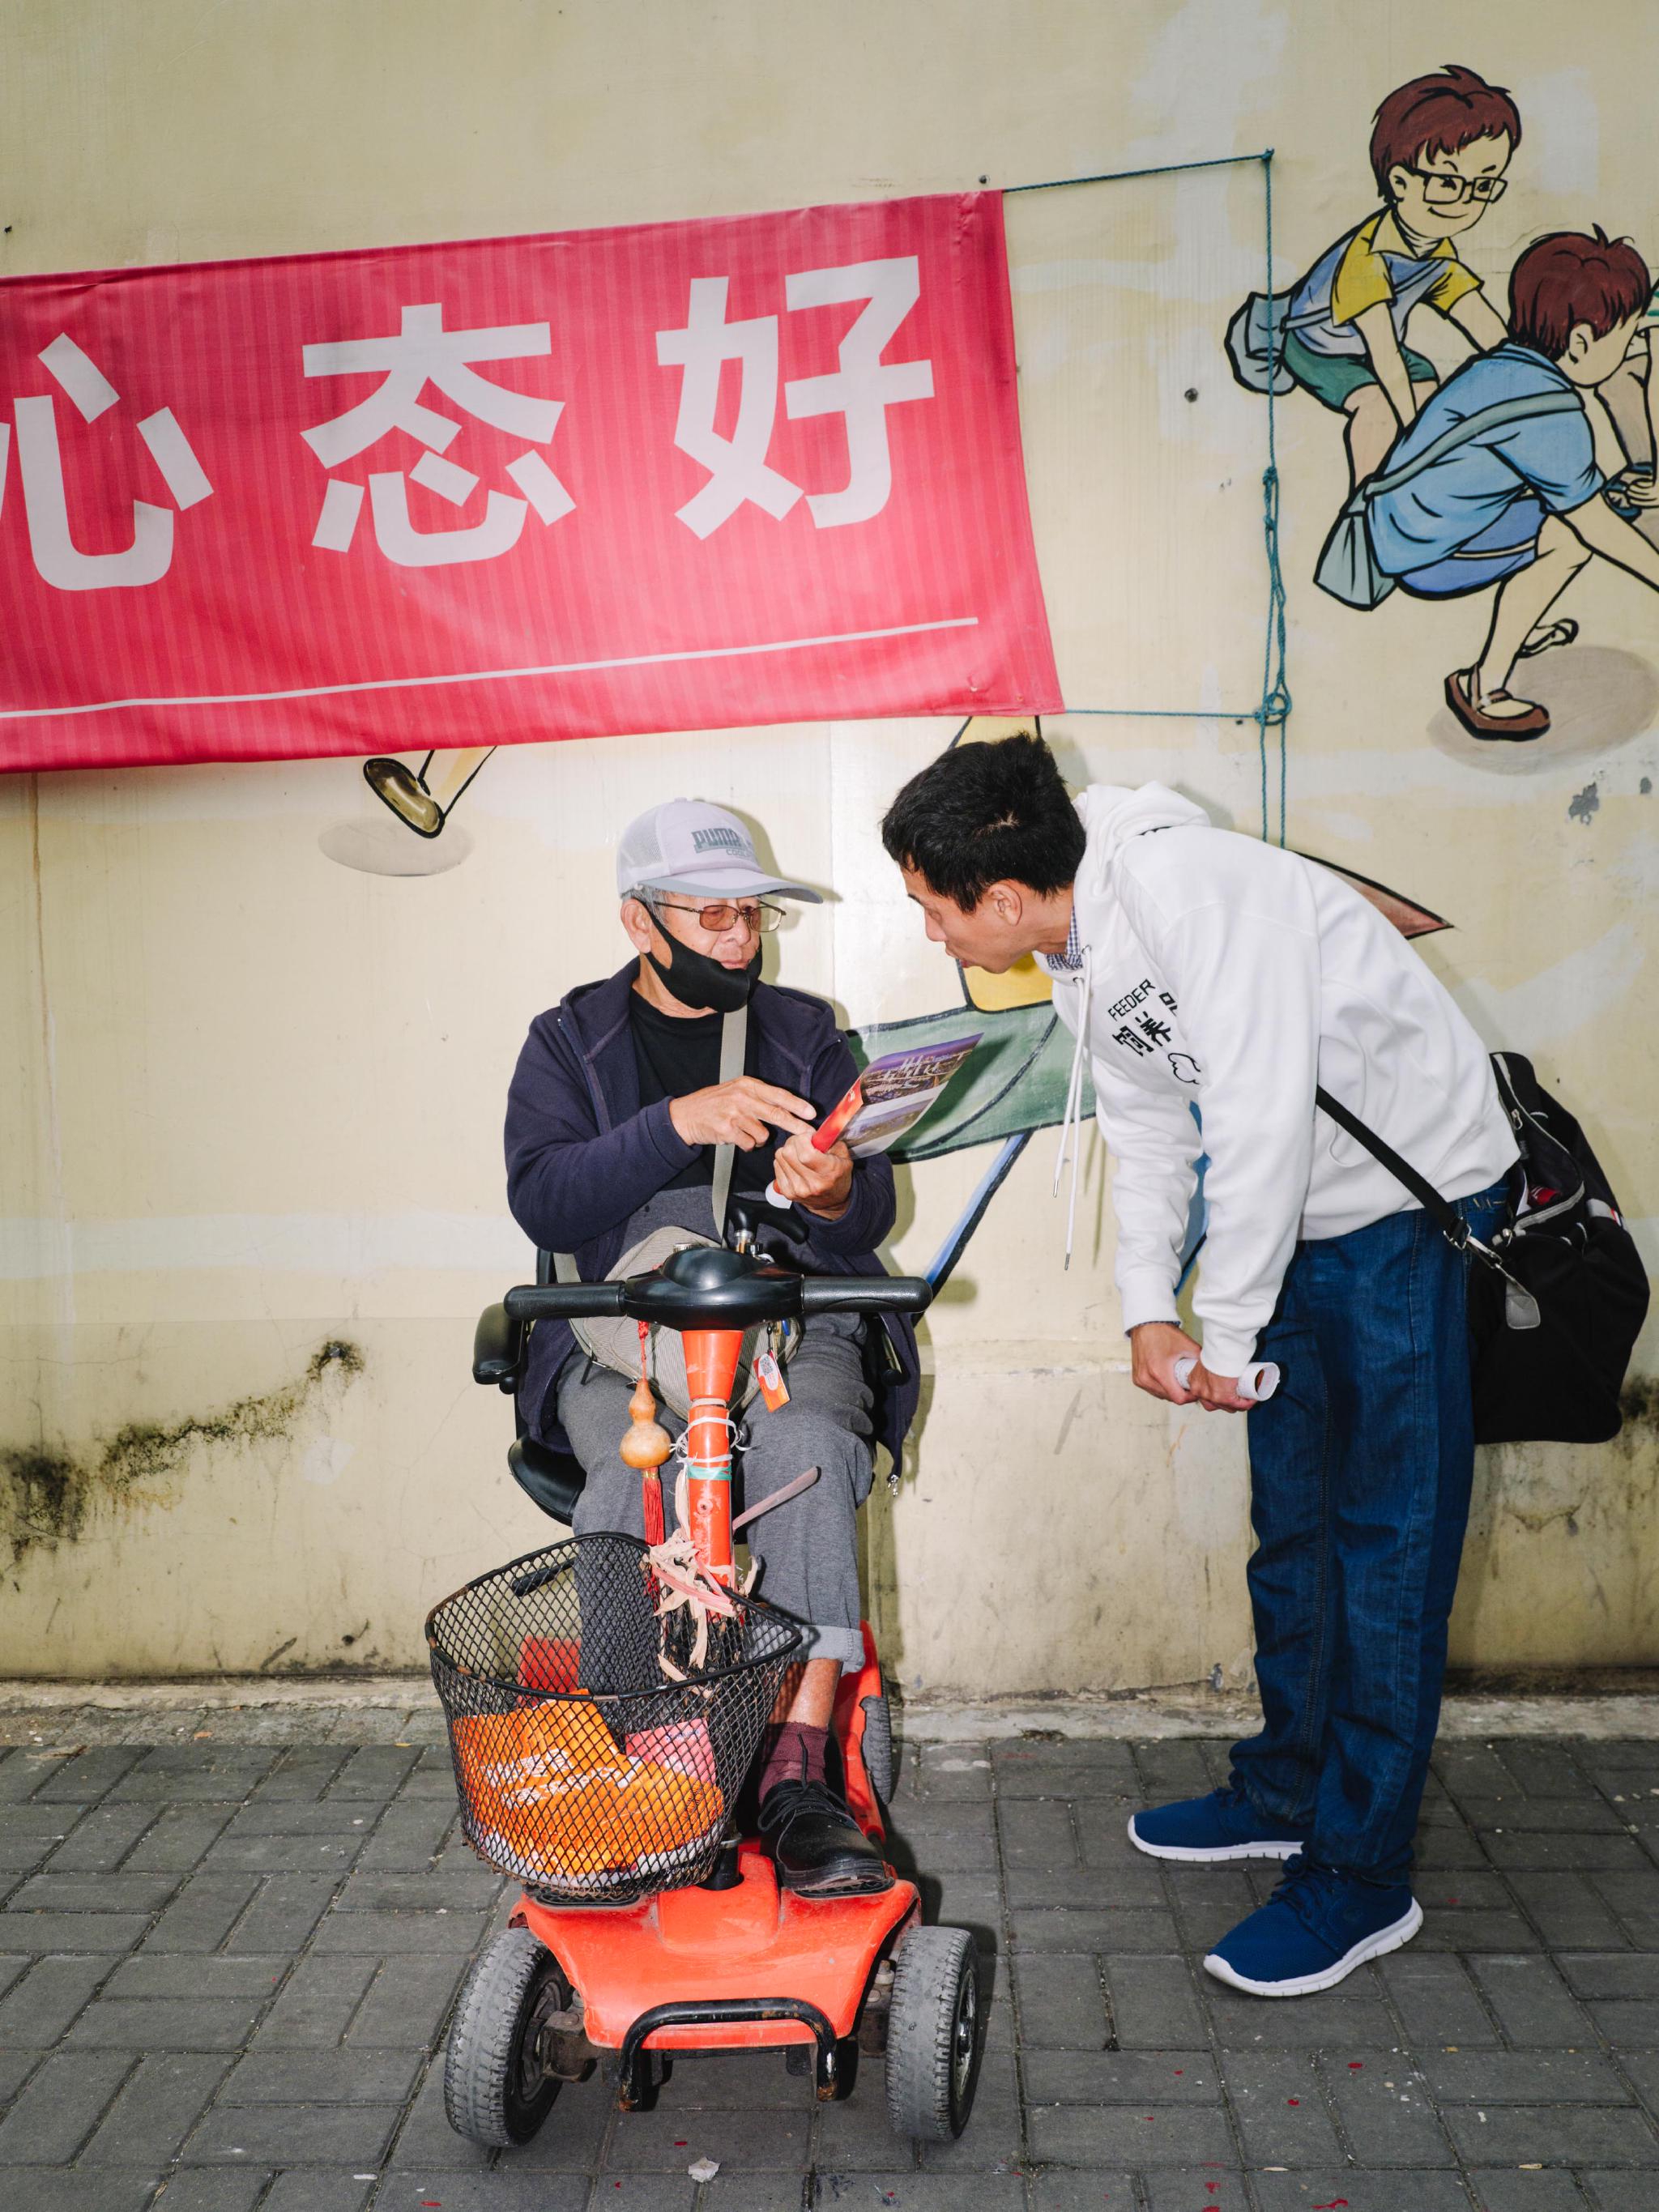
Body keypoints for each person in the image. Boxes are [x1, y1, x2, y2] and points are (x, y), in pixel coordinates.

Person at [881, 732, 1518, 1997]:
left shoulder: (1188, 887)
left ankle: (1361, 1874)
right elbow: (1148, 1118)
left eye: (932, 908)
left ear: (1001, 895)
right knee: (1294, 1527)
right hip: (1291, 1223)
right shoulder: (1082, 947)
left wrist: (1224, 1326)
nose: (933, 935)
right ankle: (1287, 1785)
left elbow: (1261, 1105)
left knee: (1384, 1545)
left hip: (1403, 1220)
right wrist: (1145, 1309)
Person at [504, 798, 917, 1896]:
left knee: (809, 1452)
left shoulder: (801, 1027)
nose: (742, 938)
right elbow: (543, 1199)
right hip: (621, 1345)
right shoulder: (567, 1039)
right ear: (642, 923)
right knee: (634, 1488)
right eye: (715, 916)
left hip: (785, 1326)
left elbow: (861, 1218)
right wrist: (676, 1121)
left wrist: (837, 1190)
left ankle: (797, 1776)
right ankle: (650, 1764)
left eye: (753, 914)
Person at [1366, 229, 1659, 739]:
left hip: (1408, 515)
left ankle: (1519, 620)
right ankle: (1483, 686)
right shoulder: (1551, 410)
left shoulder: (1508, 366)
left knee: (1588, 510)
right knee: (1568, 542)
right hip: (1425, 550)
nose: (1639, 347)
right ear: (1583, 340)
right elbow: (1595, 528)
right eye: (1631, 335)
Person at [1277, 66, 1519, 487]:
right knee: (1378, 410)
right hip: (1318, 347)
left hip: (1371, 348)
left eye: (1483, 186)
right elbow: (1386, 358)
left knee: (1432, 400)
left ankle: (1421, 500)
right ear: (1400, 182)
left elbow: (1483, 325)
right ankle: (1367, 503)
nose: (1466, 202)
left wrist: (1526, 373)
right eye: (1447, 183)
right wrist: (1416, 443)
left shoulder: (1435, 247)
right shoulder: (1366, 261)